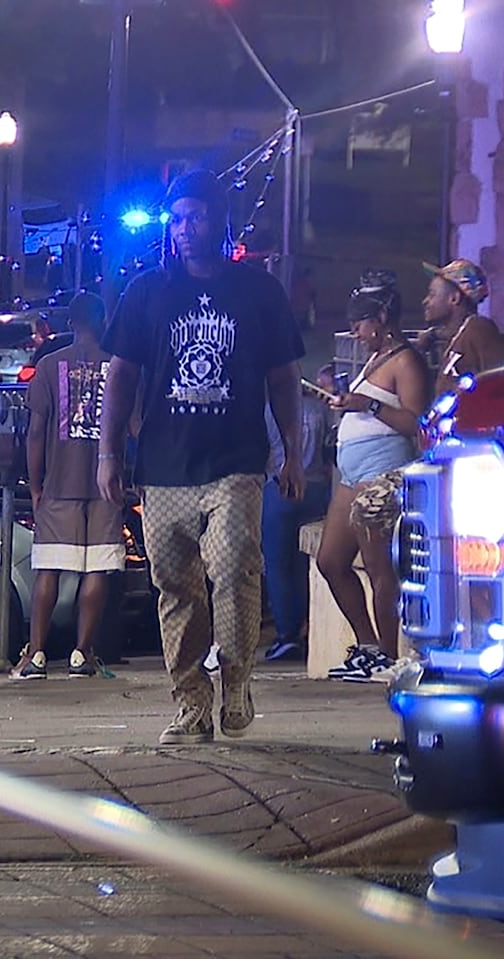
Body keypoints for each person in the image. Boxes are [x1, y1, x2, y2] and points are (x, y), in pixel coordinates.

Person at [98, 169, 305, 746]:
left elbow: (284, 375)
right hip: (163, 466)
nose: (185, 229)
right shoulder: (146, 291)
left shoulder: (258, 291)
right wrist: (108, 450)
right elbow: (121, 376)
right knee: (176, 587)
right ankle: (191, 703)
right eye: (177, 219)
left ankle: (236, 679)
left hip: (237, 461)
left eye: (196, 216)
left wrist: (292, 449)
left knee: (236, 564)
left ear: (221, 219)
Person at [318, 273, 430, 683]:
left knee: (380, 568)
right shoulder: (375, 358)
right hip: (351, 475)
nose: (355, 332)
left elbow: (420, 425)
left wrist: (367, 406)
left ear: (382, 317)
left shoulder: (405, 361)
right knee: (331, 561)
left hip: (383, 474)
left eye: (361, 324)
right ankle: (366, 645)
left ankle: (387, 653)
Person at [12, 292, 122, 680]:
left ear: (71, 322)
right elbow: (136, 426)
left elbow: (36, 431)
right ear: (104, 319)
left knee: (50, 570)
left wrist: (36, 483)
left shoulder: (48, 366)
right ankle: (81, 653)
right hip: (107, 485)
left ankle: (37, 655)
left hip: (59, 483)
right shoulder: (119, 364)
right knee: (97, 570)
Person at [259, 372, 332, 663]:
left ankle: (287, 635)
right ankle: (309, 628)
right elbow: (329, 453)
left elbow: (262, 451)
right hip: (316, 490)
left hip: (280, 488)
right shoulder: (319, 410)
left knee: (279, 567)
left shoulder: (267, 410)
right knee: (307, 565)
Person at [417, 258, 504, 394]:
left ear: (454, 299)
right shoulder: (464, 333)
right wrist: (433, 334)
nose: (425, 301)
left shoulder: (479, 329)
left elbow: (498, 387)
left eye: (432, 294)